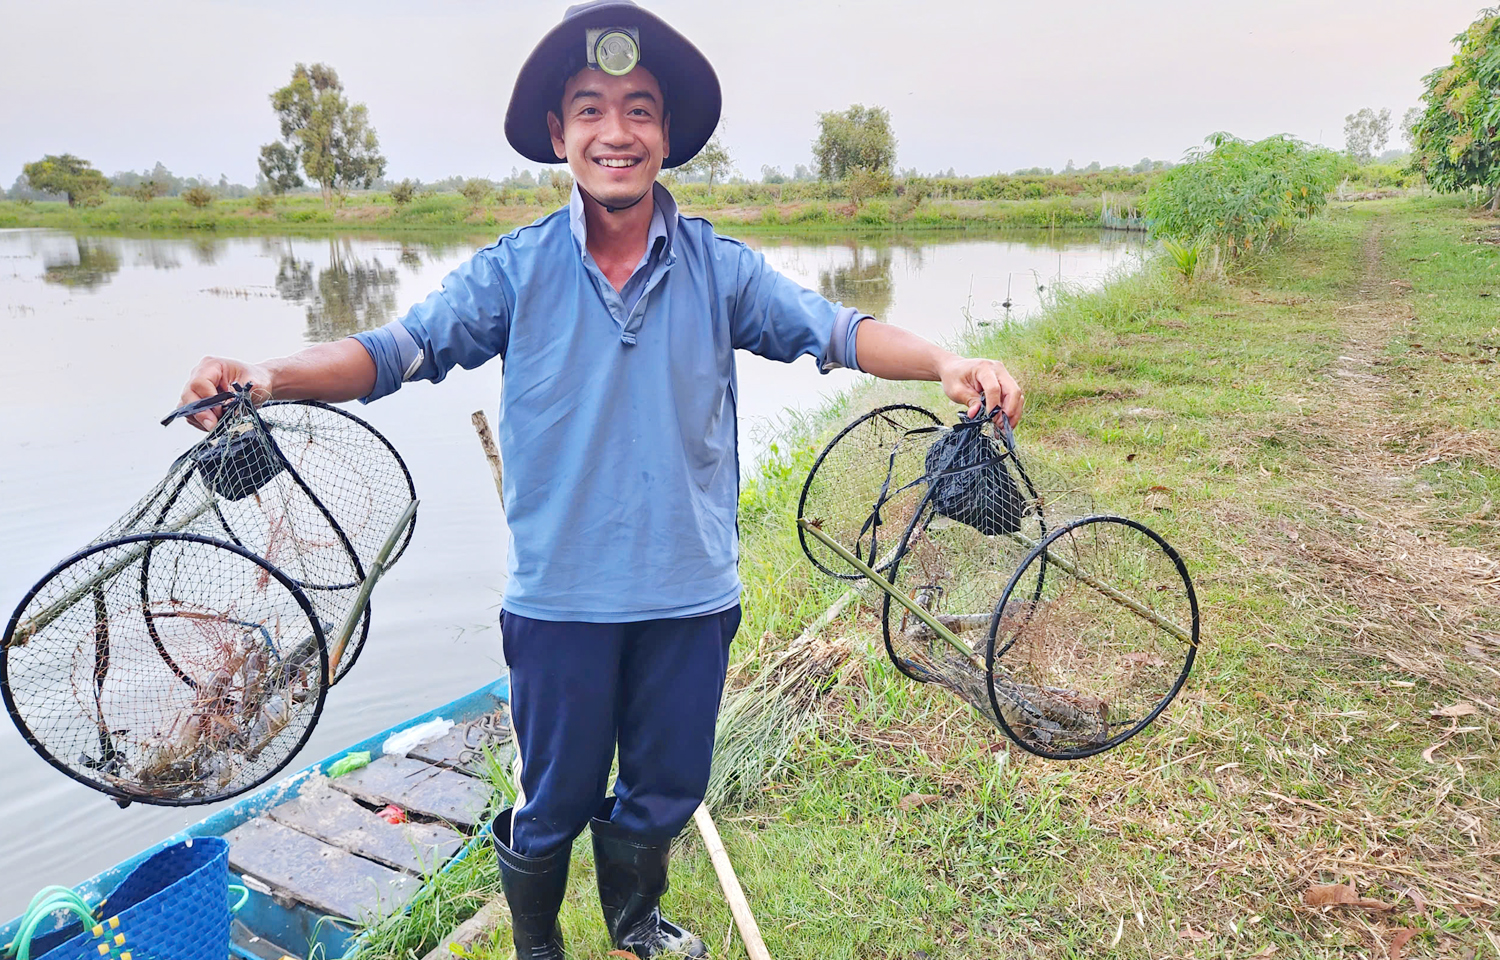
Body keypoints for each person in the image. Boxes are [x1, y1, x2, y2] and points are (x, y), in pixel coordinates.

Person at [177, 2, 1023, 956]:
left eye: (639, 110)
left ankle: (635, 925)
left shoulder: (721, 270)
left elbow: (839, 331)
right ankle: (537, 943)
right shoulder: (514, 273)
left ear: (665, 136)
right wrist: (268, 375)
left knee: (665, 789)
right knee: (555, 797)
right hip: (560, 603)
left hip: (690, 595)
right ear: (558, 133)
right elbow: (390, 351)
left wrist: (945, 361)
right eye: (590, 109)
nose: (615, 132)